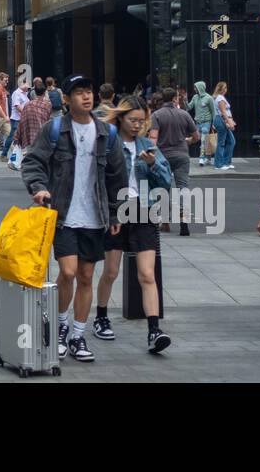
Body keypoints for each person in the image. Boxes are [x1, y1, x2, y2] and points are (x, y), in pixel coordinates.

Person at [22, 74, 129, 365]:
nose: (86, 96)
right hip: (63, 214)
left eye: (89, 91)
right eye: (79, 92)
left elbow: (118, 175)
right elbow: (33, 161)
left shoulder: (107, 133)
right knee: (67, 272)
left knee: (85, 276)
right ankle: (60, 327)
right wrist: (39, 188)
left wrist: (117, 210)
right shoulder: (55, 130)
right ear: (66, 99)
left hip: (95, 216)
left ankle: (78, 335)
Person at [94, 97, 173, 353]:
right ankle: (101, 316)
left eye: (142, 121)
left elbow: (166, 180)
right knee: (111, 271)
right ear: (121, 118)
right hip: (117, 211)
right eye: (133, 120)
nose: (138, 125)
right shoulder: (109, 143)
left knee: (147, 274)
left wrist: (152, 165)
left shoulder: (147, 145)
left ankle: (154, 330)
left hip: (144, 211)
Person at [149, 87, 199, 235]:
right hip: (182, 155)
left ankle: (165, 223)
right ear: (174, 99)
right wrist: (187, 141)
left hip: (163, 156)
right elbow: (196, 136)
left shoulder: (156, 115)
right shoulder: (184, 114)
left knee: (163, 188)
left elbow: (153, 139)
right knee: (182, 187)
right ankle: (183, 220)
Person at [14, 82, 53, 170]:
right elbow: (48, 119)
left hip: (30, 134)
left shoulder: (28, 104)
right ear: (44, 92)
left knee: (31, 152)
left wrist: (18, 136)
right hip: (42, 134)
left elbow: (23, 120)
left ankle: (32, 167)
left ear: (34, 92)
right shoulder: (48, 105)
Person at [189, 81, 217, 167]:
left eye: (195, 87)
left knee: (203, 140)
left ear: (200, 88)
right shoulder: (194, 97)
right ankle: (208, 157)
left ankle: (201, 158)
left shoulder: (209, 98)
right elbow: (189, 107)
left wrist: (214, 123)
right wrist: (184, 101)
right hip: (197, 123)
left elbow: (214, 112)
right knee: (197, 139)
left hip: (206, 123)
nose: (194, 89)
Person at [3, 78, 30, 167]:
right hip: (16, 119)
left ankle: (15, 154)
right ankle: (5, 154)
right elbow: (17, 106)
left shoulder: (25, 93)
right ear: (21, 84)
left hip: (22, 118)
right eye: (27, 84)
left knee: (16, 137)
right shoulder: (16, 93)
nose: (29, 86)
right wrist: (26, 112)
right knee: (13, 137)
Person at [213, 82, 237, 170]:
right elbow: (223, 112)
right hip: (221, 120)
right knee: (222, 142)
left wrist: (230, 120)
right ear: (221, 89)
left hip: (222, 120)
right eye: (224, 87)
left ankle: (226, 162)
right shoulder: (220, 98)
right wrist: (229, 122)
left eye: (226, 87)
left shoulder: (220, 97)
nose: (226, 89)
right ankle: (219, 164)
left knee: (231, 141)